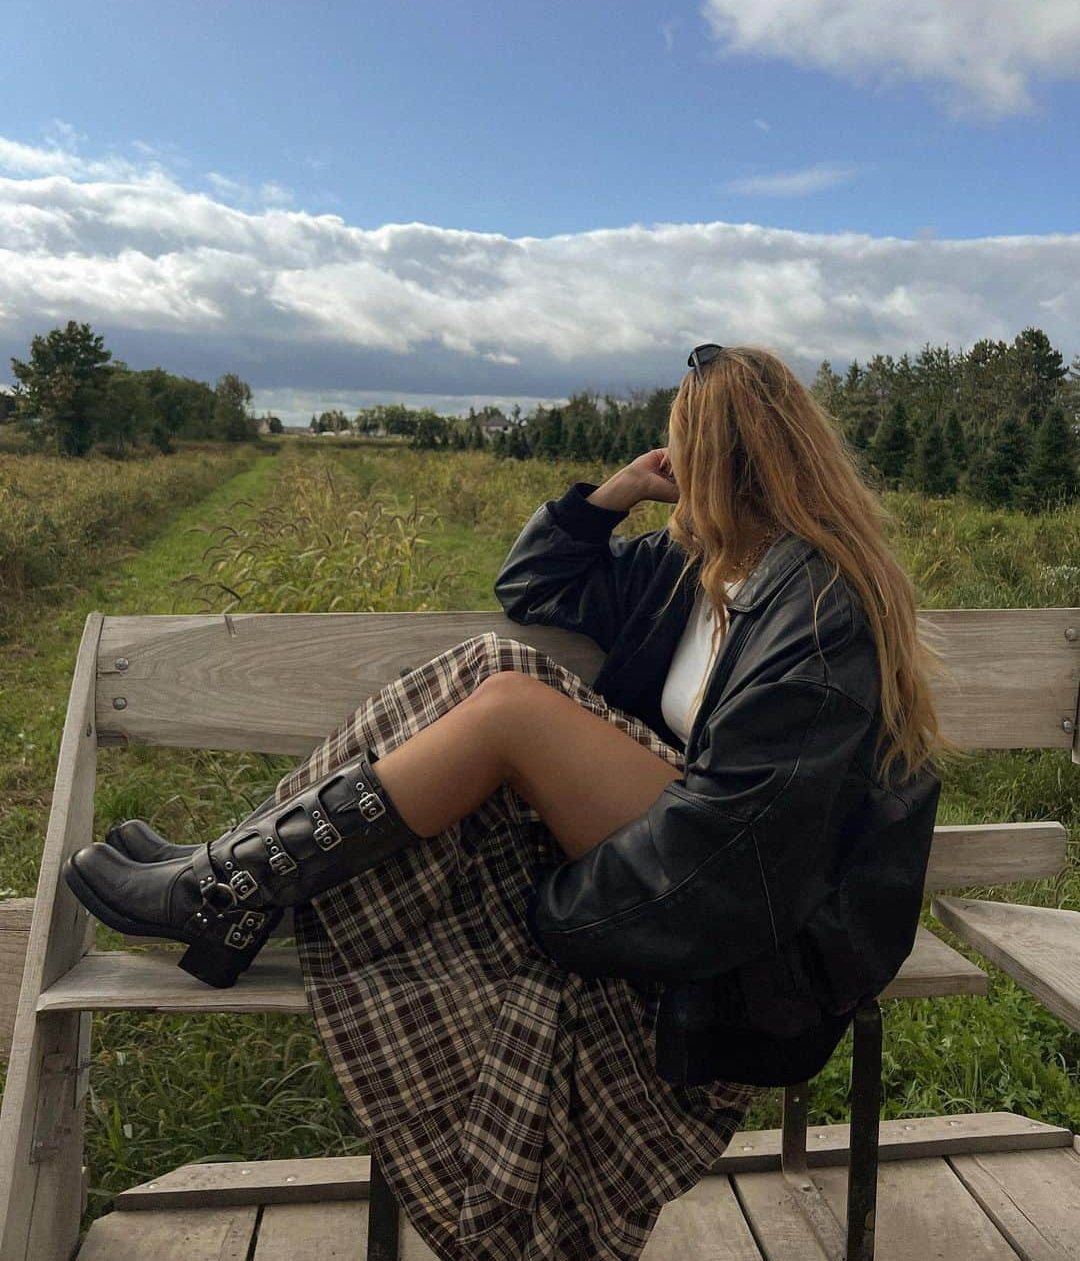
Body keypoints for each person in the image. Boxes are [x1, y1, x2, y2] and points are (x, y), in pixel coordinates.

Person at [60, 343, 955, 1258]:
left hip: (756, 926)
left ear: (724, 458)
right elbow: (534, 585)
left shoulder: (814, 606)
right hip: (691, 845)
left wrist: (551, 914)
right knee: (497, 670)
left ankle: (228, 885)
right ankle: (228, 876)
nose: (667, 459)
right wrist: (610, 497)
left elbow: (742, 846)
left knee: (510, 698)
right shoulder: (702, 571)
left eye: (679, 443)